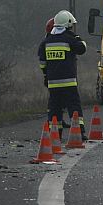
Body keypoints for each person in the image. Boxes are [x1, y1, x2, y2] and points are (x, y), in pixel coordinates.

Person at [39, 10, 88, 138]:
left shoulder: (46, 41)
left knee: (55, 108)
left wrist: (46, 75)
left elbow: (42, 63)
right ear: (68, 25)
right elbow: (82, 49)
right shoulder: (69, 38)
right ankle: (79, 132)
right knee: (74, 106)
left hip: (53, 83)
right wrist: (77, 38)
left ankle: (55, 134)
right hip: (69, 82)